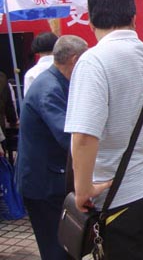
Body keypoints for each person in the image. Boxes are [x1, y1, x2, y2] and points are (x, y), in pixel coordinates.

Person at [65, 0, 143, 259]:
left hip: (122, 197)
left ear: (91, 21)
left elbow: (84, 136)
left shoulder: (93, 61)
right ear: (133, 18)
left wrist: (82, 189)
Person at [15, 35, 88, 260]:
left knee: (66, 246)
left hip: (51, 177)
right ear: (74, 60)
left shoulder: (57, 81)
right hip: (43, 183)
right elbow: (68, 136)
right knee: (56, 248)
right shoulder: (49, 88)